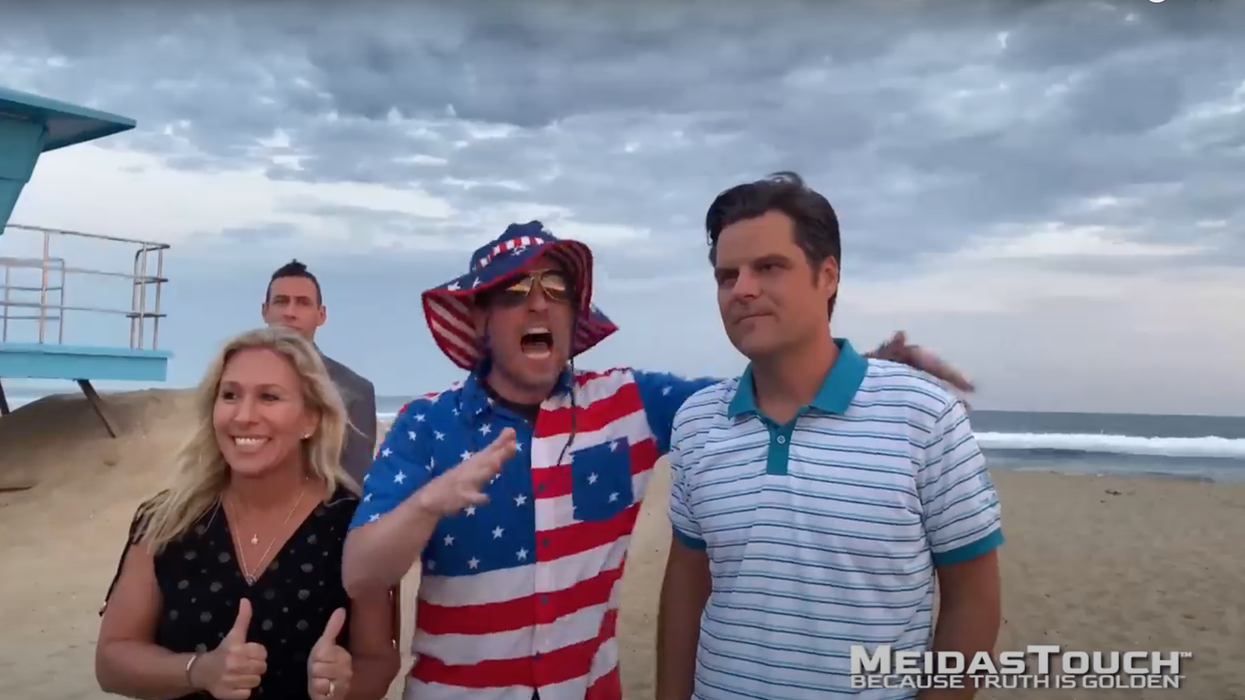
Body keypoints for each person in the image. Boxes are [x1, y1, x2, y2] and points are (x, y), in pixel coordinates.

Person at [340, 220, 978, 700]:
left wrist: (872, 366)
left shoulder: (631, 404)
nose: (537, 302)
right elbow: (361, 572)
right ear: (481, 320)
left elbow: (766, 391)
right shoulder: (426, 424)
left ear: (573, 315)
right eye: (512, 290)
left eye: (555, 287)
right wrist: (428, 504)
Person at [656, 173, 1003, 700]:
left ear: (828, 276)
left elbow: (973, 598)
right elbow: (687, 584)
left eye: (768, 267)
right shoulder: (698, 421)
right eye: (727, 276)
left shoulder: (924, 416)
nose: (742, 289)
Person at [96, 326, 400, 700]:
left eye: (269, 397)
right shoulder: (166, 520)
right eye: (230, 395)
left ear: (310, 418)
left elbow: (378, 662)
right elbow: (112, 660)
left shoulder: (356, 526)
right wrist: (198, 670)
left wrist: (343, 686)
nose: (243, 415)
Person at [263, 260, 378, 484]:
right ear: (265, 311)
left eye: (302, 303)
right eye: (281, 302)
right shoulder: (232, 378)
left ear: (321, 315)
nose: (290, 312)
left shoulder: (354, 390)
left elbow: (355, 481)